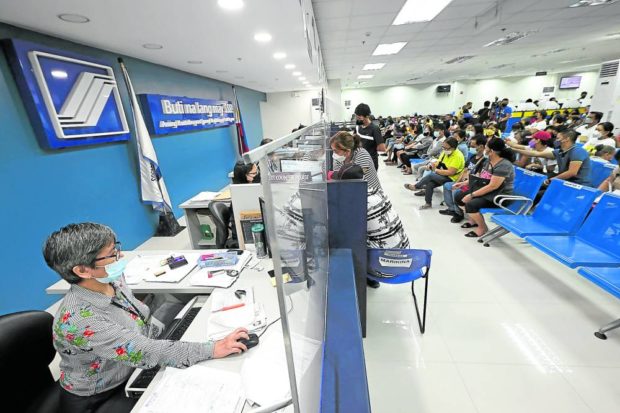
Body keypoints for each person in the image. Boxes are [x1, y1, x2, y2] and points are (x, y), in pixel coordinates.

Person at [44, 223, 249, 413]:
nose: (120, 257)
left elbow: (139, 324)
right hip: (100, 395)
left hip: (130, 365)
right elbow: (144, 352)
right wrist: (212, 348)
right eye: (111, 255)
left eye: (116, 249)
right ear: (82, 270)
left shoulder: (110, 279)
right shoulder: (79, 320)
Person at [330, 131, 409, 288]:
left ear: (346, 150)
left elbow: (354, 177)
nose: (333, 154)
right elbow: (340, 174)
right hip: (405, 257)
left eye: (335, 151)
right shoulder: (378, 199)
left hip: (386, 265)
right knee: (373, 231)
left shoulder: (362, 155)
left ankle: (367, 275)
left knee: (348, 238)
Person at [453, 138, 515, 237]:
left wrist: (472, 195)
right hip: (487, 190)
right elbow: (481, 177)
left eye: (486, 147)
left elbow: (493, 186)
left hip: (499, 195)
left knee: (471, 204)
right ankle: (473, 221)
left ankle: (482, 228)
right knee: (458, 196)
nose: (484, 149)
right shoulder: (489, 161)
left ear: (492, 151)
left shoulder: (504, 165)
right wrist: (464, 183)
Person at [509, 129, 592, 187]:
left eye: (558, 138)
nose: (556, 140)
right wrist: (512, 149)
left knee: (539, 193)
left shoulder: (578, 151)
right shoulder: (559, 151)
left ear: (567, 139)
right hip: (563, 182)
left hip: (577, 185)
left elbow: (572, 172)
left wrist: (551, 180)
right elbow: (536, 153)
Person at [404, 137, 465, 210]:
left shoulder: (457, 156)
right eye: (443, 147)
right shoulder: (445, 152)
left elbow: (451, 172)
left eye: (446, 148)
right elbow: (438, 162)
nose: (444, 149)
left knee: (431, 176)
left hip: (453, 178)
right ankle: (428, 203)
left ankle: (416, 186)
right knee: (430, 184)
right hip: (443, 174)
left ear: (453, 148)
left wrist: (435, 170)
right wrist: (430, 166)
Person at [440, 135, 487, 221]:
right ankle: (452, 209)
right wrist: (457, 182)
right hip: (464, 181)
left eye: (473, 146)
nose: (470, 148)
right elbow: (464, 171)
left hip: (472, 184)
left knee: (456, 191)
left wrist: (461, 184)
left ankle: (458, 213)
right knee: (447, 185)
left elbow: (477, 177)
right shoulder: (472, 157)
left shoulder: (484, 161)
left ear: (481, 146)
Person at [354, 103, 386, 170]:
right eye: (356, 116)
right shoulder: (357, 127)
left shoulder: (374, 128)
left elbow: (382, 148)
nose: (357, 118)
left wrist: (370, 148)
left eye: (359, 117)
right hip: (359, 161)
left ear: (366, 116)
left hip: (370, 162)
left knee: (369, 180)